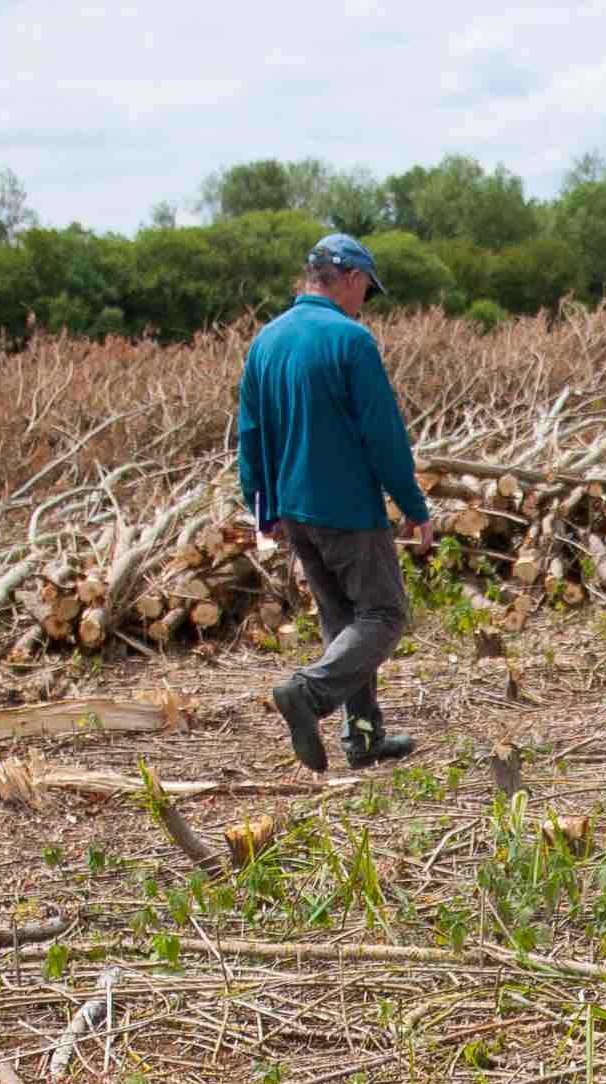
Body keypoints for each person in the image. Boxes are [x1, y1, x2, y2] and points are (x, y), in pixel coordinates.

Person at [234, 234, 432, 771]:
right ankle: (310, 693)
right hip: (345, 506)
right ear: (348, 278)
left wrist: (261, 507)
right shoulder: (351, 341)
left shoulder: (267, 341)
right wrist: (413, 505)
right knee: (385, 614)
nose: (364, 301)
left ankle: (364, 737)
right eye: (366, 288)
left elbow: (249, 434)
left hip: (294, 509)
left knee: (343, 621)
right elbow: (383, 436)